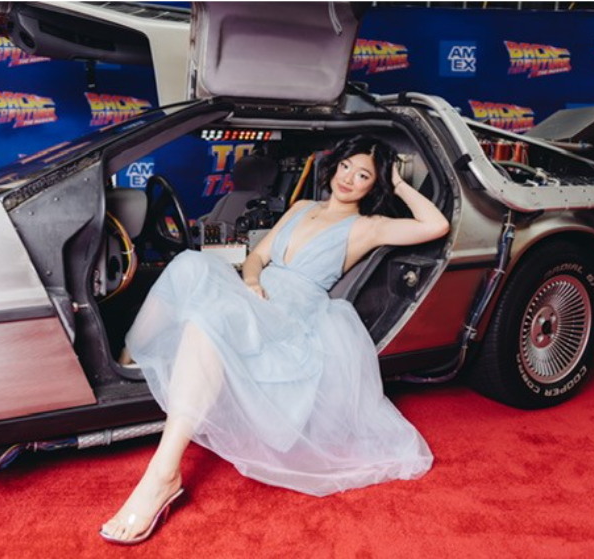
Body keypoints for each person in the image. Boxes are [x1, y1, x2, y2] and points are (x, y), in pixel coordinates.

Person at [100, 135, 451, 544]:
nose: (349, 180)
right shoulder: (302, 207)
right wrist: (250, 282)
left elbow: (436, 225)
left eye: (363, 175)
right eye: (345, 167)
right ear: (333, 166)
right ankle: (131, 360)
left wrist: (399, 182)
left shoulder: (369, 227)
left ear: (374, 186)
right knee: (188, 263)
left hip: (293, 312)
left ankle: (162, 474)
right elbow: (258, 256)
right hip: (257, 292)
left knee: (205, 321)